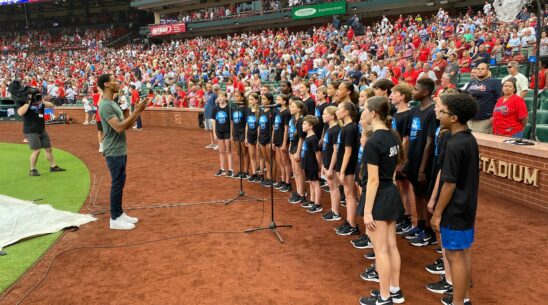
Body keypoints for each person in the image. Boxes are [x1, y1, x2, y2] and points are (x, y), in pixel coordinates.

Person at [430, 93, 480, 305]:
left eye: (442, 111)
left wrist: (437, 214)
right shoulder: (468, 139)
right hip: (467, 207)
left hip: (454, 209)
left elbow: (449, 183)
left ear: (453, 118)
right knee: (463, 253)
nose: (439, 114)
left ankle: (458, 302)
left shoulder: (454, 144)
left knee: (454, 257)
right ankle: (463, 297)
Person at [359, 96, 405, 305]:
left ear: (374, 113)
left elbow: (373, 181)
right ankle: (395, 290)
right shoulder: (393, 137)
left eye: (365, 109)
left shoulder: (374, 142)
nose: (363, 112)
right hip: (391, 193)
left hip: (379, 196)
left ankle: (384, 296)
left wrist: (368, 211)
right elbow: (393, 172)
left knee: (381, 250)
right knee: (391, 246)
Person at [97, 73, 148, 230]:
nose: (117, 82)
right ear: (106, 84)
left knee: (120, 182)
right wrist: (137, 111)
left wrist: (137, 111)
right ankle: (114, 219)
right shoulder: (105, 105)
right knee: (117, 183)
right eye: (113, 80)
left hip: (119, 149)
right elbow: (119, 128)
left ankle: (119, 213)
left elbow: (124, 124)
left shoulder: (112, 103)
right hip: (113, 150)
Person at [403, 77, 439, 246]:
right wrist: (406, 160)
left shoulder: (432, 112)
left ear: (425, 92)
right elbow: (410, 137)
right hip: (413, 159)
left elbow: (430, 142)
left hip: (424, 163)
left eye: (416, 89)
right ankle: (420, 224)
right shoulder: (415, 110)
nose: (413, 91)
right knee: (417, 193)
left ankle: (429, 233)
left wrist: (422, 169)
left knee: (425, 195)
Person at [11, 81, 65, 176]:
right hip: (31, 130)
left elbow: (52, 106)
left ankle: (53, 166)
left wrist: (42, 101)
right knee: (37, 150)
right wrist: (28, 102)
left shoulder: (39, 102)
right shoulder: (22, 103)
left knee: (48, 149)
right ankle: (32, 169)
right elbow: (20, 113)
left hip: (41, 129)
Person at [389, 83, 413, 234]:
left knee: (406, 187)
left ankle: (409, 217)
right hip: (394, 154)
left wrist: (400, 160)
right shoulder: (396, 114)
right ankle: (404, 214)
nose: (391, 96)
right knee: (399, 187)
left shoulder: (408, 114)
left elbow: (406, 139)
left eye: (394, 93)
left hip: (401, 157)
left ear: (403, 96)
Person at [334, 101, 360, 236]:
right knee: (348, 195)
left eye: (339, 109)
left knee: (350, 195)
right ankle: (349, 221)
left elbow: (348, 151)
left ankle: (352, 225)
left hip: (349, 167)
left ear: (346, 112)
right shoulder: (345, 127)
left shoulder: (350, 128)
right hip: (343, 165)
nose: (336, 112)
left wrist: (343, 170)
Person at [464, 63, 502, 134]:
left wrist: (493, 117)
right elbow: (465, 97)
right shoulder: (472, 82)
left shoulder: (494, 82)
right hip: (470, 118)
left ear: (488, 71)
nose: (480, 71)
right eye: (478, 69)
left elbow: (500, 101)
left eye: (482, 69)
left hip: (485, 120)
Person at [321, 105, 342, 221]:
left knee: (334, 187)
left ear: (332, 116)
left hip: (332, 164)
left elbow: (335, 151)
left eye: (325, 113)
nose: (323, 116)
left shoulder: (336, 130)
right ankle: (333, 209)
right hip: (327, 162)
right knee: (331, 187)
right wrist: (324, 164)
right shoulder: (329, 129)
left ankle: (336, 212)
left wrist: (330, 168)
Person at [300, 115, 323, 213]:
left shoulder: (313, 139)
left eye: (304, 124)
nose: (302, 125)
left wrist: (319, 166)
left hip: (313, 164)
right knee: (310, 182)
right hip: (307, 164)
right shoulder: (307, 137)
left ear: (310, 126)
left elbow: (317, 153)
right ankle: (312, 200)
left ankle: (317, 204)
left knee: (315, 183)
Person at [287, 98, 307, 204]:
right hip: (293, 145)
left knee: (298, 172)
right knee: (295, 171)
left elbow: (301, 138)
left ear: (299, 109)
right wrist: (290, 147)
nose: (290, 108)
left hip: (297, 147)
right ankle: (298, 191)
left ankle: (301, 193)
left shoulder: (301, 120)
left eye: (292, 106)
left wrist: (298, 152)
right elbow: (291, 136)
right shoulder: (293, 119)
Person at [272, 93, 292, 192]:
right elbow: (275, 128)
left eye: (279, 100)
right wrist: (274, 141)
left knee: (285, 161)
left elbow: (286, 129)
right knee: (280, 161)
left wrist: (284, 143)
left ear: (284, 101)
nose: (277, 101)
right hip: (277, 139)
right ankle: (283, 180)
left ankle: (288, 182)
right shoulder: (278, 112)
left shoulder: (286, 112)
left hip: (283, 140)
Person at [212, 92, 234, 178]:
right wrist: (214, 133)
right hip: (219, 131)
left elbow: (231, 123)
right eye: (219, 97)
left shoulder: (229, 109)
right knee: (221, 150)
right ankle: (222, 169)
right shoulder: (215, 109)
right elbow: (214, 121)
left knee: (229, 150)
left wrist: (231, 134)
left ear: (225, 98)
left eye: (222, 97)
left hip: (227, 131)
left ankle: (231, 170)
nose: (220, 98)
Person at [258, 93, 275, 187]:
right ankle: (268, 177)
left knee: (271, 159)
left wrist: (272, 140)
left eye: (264, 99)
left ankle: (272, 178)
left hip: (269, 138)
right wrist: (259, 138)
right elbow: (260, 126)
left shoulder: (272, 111)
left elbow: (273, 127)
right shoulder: (262, 111)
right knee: (266, 159)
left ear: (270, 100)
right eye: (262, 99)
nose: (262, 101)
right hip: (262, 138)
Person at [232, 90, 249, 179]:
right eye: (235, 96)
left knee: (244, 152)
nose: (236, 97)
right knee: (238, 152)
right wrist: (232, 133)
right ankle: (240, 170)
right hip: (236, 132)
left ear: (242, 98)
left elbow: (247, 123)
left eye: (237, 96)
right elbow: (232, 122)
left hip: (243, 131)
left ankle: (246, 171)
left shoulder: (246, 108)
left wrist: (246, 136)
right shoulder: (234, 108)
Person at [245, 93, 261, 182]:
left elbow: (260, 126)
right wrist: (246, 137)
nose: (250, 101)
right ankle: (254, 173)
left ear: (257, 100)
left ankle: (260, 173)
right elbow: (247, 124)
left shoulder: (260, 110)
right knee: (252, 155)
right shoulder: (248, 110)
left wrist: (258, 138)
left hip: (258, 136)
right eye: (249, 99)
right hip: (250, 135)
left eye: (252, 99)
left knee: (260, 156)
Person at [203, 83, 218, 149]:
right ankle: (212, 143)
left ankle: (218, 144)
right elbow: (205, 101)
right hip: (206, 113)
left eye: (210, 87)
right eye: (207, 87)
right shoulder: (206, 93)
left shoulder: (214, 94)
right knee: (209, 129)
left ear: (212, 87)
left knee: (214, 129)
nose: (208, 88)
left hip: (212, 114)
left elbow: (216, 104)